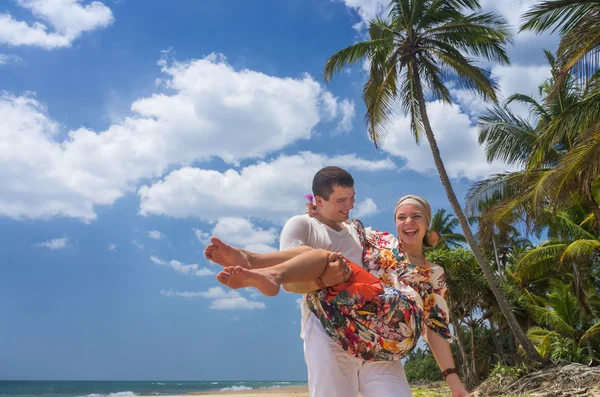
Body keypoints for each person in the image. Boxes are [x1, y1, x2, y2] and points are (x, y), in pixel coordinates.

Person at [205, 194, 469, 397]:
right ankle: (257, 264)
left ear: (427, 223)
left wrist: (452, 378)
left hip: (386, 349)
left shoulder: (434, 273)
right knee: (321, 256)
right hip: (352, 324)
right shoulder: (378, 240)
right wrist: (317, 210)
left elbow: (435, 328)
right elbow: (336, 220)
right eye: (402, 217)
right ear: (395, 222)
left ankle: (254, 262)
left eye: (416, 216)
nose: (408, 222)